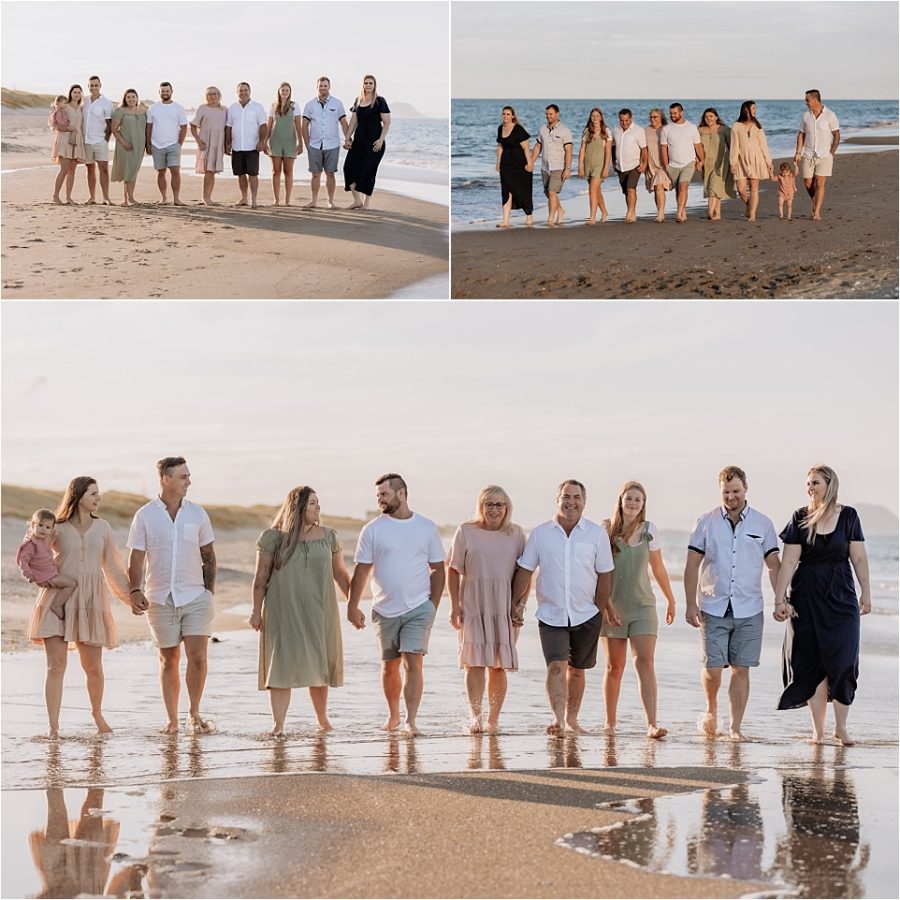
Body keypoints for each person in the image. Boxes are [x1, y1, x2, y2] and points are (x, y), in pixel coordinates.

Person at [26, 477, 132, 738]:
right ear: (78, 495)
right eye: (93, 493)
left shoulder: (103, 528)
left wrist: (132, 597)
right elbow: (32, 546)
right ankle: (53, 727)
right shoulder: (57, 528)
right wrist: (38, 574)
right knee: (55, 666)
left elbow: (115, 568)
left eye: (99, 493)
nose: (98, 498)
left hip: (90, 602)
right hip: (57, 599)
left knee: (93, 668)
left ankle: (97, 715)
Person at [773, 465, 870, 746]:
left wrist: (867, 593)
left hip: (841, 597)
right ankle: (818, 732)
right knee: (812, 663)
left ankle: (841, 727)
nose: (810, 487)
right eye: (807, 483)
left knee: (844, 660)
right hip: (806, 597)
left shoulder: (849, 516)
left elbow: (859, 559)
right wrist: (780, 599)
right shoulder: (800, 517)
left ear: (830, 484)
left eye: (815, 482)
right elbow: (789, 561)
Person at [511, 479, 617, 736]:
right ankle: (558, 720)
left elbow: (605, 575)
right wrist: (515, 604)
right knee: (556, 666)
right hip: (551, 613)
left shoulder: (596, 533)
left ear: (584, 501)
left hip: (587, 614)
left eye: (576, 497)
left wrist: (598, 609)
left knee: (578, 671)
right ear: (557, 499)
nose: (571, 502)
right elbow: (526, 570)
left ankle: (572, 719)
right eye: (566, 497)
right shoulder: (540, 533)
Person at [684, 465, 781, 741]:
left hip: (749, 608)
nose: (731, 497)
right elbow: (692, 565)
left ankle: (735, 727)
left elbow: (773, 566)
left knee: (741, 668)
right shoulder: (706, 521)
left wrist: (780, 599)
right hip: (712, 606)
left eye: (736, 491)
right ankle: (711, 708)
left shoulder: (763, 524)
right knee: (713, 669)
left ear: (746, 489)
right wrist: (690, 604)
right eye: (726, 492)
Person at [347, 473, 446, 736]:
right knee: (389, 665)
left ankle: (410, 720)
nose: (380, 499)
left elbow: (438, 568)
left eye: (384, 494)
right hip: (384, 609)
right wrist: (351, 605)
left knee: (414, 662)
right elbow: (362, 571)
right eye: (378, 495)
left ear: (401, 493)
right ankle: (393, 715)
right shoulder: (372, 530)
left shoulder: (426, 527)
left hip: (418, 608)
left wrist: (432, 606)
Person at [249, 486, 351, 737]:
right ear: (298, 507)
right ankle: (278, 725)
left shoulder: (329, 536)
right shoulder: (273, 538)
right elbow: (261, 578)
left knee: (319, 664)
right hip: (284, 610)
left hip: (321, 610)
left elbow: (340, 574)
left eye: (318, 502)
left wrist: (354, 603)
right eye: (312, 503)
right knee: (281, 665)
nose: (318, 507)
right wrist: (255, 611)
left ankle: (323, 721)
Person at [127, 457, 217, 734]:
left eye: (188, 476)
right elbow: (136, 558)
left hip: (195, 597)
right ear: (166, 479)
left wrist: (209, 594)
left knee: (198, 657)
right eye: (183, 477)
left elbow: (209, 557)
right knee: (169, 659)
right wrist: (134, 590)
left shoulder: (198, 514)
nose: (188, 481)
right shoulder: (145, 515)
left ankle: (194, 712)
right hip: (159, 598)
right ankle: (172, 719)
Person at [601, 482, 677, 739]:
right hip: (612, 608)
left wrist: (671, 599)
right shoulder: (606, 530)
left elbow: (658, 568)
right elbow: (597, 572)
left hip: (644, 606)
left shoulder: (649, 530)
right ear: (621, 500)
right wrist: (604, 605)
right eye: (629, 498)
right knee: (614, 667)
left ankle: (651, 724)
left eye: (638, 500)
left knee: (645, 663)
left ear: (643, 504)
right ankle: (610, 723)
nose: (633, 503)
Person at [448, 486, 526, 734]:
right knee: (474, 662)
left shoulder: (516, 534)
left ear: (507, 507)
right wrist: (454, 606)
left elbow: (525, 572)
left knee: (499, 665)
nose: (494, 509)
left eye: (499, 504)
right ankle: (476, 717)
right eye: (489, 504)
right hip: (473, 603)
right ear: (481, 506)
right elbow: (452, 569)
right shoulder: (466, 531)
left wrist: (520, 605)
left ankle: (493, 719)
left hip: (504, 606)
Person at [18, 509, 78, 620]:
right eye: (40, 525)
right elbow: (23, 561)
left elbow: (46, 548)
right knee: (71, 584)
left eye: (48, 527)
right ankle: (56, 605)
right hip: (44, 577)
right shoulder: (30, 544)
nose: (43, 529)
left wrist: (54, 535)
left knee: (69, 583)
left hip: (48, 574)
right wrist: (28, 574)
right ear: (33, 524)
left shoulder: (41, 541)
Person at [343, 74, 391, 210]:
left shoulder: (380, 101)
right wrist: (347, 138)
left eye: (371, 83)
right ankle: (357, 201)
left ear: (374, 85)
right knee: (348, 168)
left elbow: (387, 122)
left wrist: (381, 140)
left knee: (368, 171)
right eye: (366, 83)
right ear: (362, 85)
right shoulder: (358, 100)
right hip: (358, 142)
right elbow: (353, 121)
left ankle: (367, 204)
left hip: (375, 144)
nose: (368, 85)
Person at [301, 76, 349, 209]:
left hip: (333, 144)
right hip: (314, 145)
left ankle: (330, 202)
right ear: (317, 87)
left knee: (330, 173)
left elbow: (344, 123)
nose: (323, 88)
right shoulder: (309, 105)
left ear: (329, 87)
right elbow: (304, 124)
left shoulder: (337, 103)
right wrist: (306, 143)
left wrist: (348, 138)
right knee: (315, 174)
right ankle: (314, 201)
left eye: (325, 86)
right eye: (320, 86)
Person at [794, 90, 840, 221]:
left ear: (815, 100)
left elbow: (837, 135)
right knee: (808, 182)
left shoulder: (830, 115)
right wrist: (798, 152)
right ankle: (816, 203)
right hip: (808, 154)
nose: (806, 102)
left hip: (825, 155)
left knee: (820, 183)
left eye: (807, 100)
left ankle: (817, 212)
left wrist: (831, 153)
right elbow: (801, 134)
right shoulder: (805, 116)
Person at [225, 82, 268, 208]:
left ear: (250, 91)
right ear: (237, 92)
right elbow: (228, 127)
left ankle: (254, 200)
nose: (243, 92)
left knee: (253, 174)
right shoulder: (232, 108)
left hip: (252, 147)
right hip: (237, 147)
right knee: (240, 174)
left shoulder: (257, 107)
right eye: (241, 90)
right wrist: (227, 143)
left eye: (245, 90)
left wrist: (261, 141)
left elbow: (263, 126)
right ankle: (244, 198)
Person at [660, 103, 704, 223]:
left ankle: (678, 212)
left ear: (681, 112)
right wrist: (666, 166)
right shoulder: (666, 129)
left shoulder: (691, 127)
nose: (672, 115)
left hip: (688, 163)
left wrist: (702, 160)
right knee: (678, 190)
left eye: (675, 113)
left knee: (683, 186)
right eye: (671, 113)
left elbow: (698, 146)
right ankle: (683, 211)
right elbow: (664, 149)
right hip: (672, 165)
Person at [729, 101, 773, 223]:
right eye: (753, 108)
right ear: (746, 109)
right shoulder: (736, 126)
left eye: (755, 108)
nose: (755, 110)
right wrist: (733, 162)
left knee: (754, 188)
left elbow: (764, 145)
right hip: (740, 160)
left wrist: (769, 162)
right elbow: (734, 145)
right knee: (741, 189)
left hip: (756, 159)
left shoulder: (758, 126)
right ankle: (750, 205)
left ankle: (752, 214)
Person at [145, 82, 188, 206]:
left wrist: (179, 144)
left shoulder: (178, 108)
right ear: (159, 92)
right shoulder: (153, 108)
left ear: (171, 92)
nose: (165, 93)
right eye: (162, 91)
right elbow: (149, 127)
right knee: (161, 172)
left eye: (167, 91)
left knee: (175, 171)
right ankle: (163, 198)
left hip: (173, 144)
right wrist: (148, 144)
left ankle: (176, 199)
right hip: (157, 144)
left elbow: (184, 127)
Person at [529, 104, 573, 227]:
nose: (548, 116)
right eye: (547, 114)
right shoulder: (542, 129)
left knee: (552, 192)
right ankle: (560, 210)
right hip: (545, 167)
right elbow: (538, 146)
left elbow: (569, 151)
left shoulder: (565, 131)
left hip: (558, 167)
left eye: (551, 114)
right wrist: (531, 162)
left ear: (557, 114)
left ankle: (550, 218)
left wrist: (568, 168)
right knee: (548, 193)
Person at [494, 105, 533, 227]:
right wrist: (498, 162)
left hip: (519, 164)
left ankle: (529, 216)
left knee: (522, 190)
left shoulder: (518, 129)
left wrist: (530, 163)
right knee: (506, 191)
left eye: (508, 114)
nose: (505, 116)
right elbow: (500, 146)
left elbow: (526, 147)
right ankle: (505, 221)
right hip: (506, 164)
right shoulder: (500, 128)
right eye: (504, 114)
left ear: (513, 116)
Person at [266, 82, 303, 207]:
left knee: (288, 171)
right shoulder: (273, 106)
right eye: (283, 90)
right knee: (275, 171)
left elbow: (298, 126)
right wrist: (265, 142)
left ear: (290, 92)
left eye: (287, 90)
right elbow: (269, 126)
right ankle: (276, 200)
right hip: (275, 142)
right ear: (279, 91)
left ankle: (287, 200)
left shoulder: (294, 106)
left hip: (290, 142)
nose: (285, 92)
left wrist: (300, 143)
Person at [190, 86, 227, 206]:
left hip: (218, 142)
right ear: (207, 96)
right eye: (210, 94)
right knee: (208, 170)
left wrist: (228, 143)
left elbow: (228, 128)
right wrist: (198, 141)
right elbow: (193, 126)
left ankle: (208, 197)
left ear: (219, 95)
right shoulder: (202, 108)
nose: (213, 96)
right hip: (205, 142)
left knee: (212, 170)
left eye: (215, 93)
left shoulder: (224, 110)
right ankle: (205, 197)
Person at [110, 89, 147, 206]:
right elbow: (114, 129)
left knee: (133, 171)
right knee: (128, 170)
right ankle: (130, 198)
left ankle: (127, 200)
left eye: (133, 97)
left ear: (137, 98)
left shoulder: (143, 111)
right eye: (128, 97)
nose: (131, 99)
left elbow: (147, 128)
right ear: (125, 99)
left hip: (140, 145)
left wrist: (148, 145)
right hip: (125, 145)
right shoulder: (120, 111)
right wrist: (123, 142)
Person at [611, 108, 648, 224]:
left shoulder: (638, 130)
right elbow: (613, 147)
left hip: (634, 165)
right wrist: (613, 162)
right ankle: (631, 212)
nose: (624, 123)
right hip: (620, 166)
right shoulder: (615, 131)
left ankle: (630, 213)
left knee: (631, 189)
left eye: (626, 120)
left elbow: (644, 149)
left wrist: (644, 163)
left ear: (630, 118)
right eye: (622, 120)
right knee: (626, 192)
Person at [698, 107, 735, 221]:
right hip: (706, 163)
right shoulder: (700, 130)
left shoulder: (724, 129)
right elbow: (696, 147)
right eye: (706, 117)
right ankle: (717, 214)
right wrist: (698, 161)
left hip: (721, 162)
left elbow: (732, 147)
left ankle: (709, 211)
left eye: (711, 116)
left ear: (716, 117)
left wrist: (733, 162)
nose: (708, 119)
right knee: (713, 188)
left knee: (713, 187)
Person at [50, 85, 84, 205]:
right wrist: (67, 128)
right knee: (64, 169)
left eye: (79, 92)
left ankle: (69, 197)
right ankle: (55, 196)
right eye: (74, 92)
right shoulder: (65, 106)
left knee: (72, 171)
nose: (77, 94)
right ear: (71, 93)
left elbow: (80, 125)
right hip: (65, 139)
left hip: (76, 140)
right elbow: (54, 122)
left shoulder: (81, 108)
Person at [577, 107, 612, 225]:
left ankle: (592, 217)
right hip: (588, 164)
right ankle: (604, 211)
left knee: (592, 190)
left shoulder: (606, 131)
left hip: (599, 164)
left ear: (601, 117)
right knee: (596, 191)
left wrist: (606, 167)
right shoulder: (587, 131)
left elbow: (608, 151)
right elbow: (582, 149)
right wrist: (580, 166)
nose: (595, 118)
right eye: (593, 116)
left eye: (597, 116)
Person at [82, 76, 113, 205]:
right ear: (88, 86)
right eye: (91, 85)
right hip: (86, 141)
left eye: (96, 85)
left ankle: (106, 197)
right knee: (89, 169)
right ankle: (92, 197)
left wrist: (105, 140)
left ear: (100, 86)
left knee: (104, 169)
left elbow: (109, 123)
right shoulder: (84, 101)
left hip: (100, 140)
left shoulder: (106, 102)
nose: (94, 87)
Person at [644, 108, 672, 223]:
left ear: (661, 118)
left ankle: (660, 213)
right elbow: (643, 148)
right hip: (650, 164)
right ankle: (660, 212)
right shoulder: (645, 130)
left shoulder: (667, 129)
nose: (652, 119)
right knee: (656, 188)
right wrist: (643, 163)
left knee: (659, 186)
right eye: (651, 117)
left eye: (655, 117)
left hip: (663, 164)